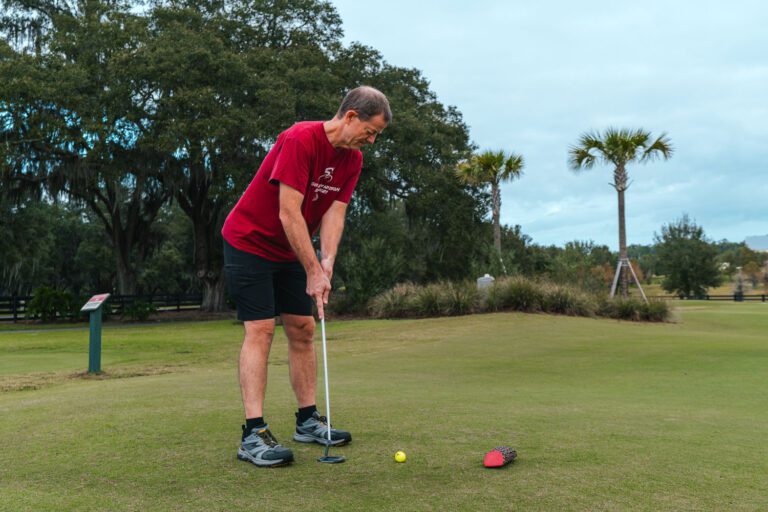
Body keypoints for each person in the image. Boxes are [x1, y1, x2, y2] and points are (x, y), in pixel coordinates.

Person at [221, 86, 391, 467]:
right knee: (261, 329)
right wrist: (311, 269)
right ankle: (253, 434)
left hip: (289, 249)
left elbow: (335, 212)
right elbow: (288, 213)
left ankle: (307, 420)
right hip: (250, 241)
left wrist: (326, 261)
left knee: (302, 328)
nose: (372, 139)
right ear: (350, 117)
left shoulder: (353, 159)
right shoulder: (300, 138)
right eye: (371, 130)